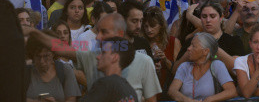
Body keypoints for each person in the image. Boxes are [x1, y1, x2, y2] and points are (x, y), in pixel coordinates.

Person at [23, 13, 162, 101]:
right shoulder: (91, 56)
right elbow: (60, 48)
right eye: (98, 31)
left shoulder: (144, 61)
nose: (98, 37)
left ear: (119, 33)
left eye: (104, 32)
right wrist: (35, 33)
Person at [175, 0, 244, 72]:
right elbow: (175, 71)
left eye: (212, 16)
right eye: (204, 16)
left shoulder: (233, 41)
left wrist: (214, 49)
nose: (208, 20)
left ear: (221, 18)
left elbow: (240, 70)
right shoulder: (191, 41)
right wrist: (190, 51)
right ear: (200, 18)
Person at [168, 33, 237, 101]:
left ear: (205, 51)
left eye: (193, 46)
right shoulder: (184, 66)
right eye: (190, 45)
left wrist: (209, 99)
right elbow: (172, 91)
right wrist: (186, 100)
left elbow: (232, 91)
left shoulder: (217, 65)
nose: (188, 48)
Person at [25, 30, 81, 102]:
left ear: (54, 54)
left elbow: (71, 99)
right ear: (32, 55)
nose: (42, 61)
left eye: (46, 56)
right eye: (38, 56)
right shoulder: (25, 73)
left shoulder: (65, 70)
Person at [79, 36, 138, 102]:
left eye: (103, 52)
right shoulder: (131, 92)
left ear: (114, 57)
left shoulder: (105, 84)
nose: (98, 57)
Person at [142, 6, 180, 91]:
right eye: (146, 26)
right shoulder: (141, 43)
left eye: (153, 26)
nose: (149, 30)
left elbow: (179, 71)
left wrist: (165, 60)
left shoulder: (173, 42)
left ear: (161, 25)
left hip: (167, 91)